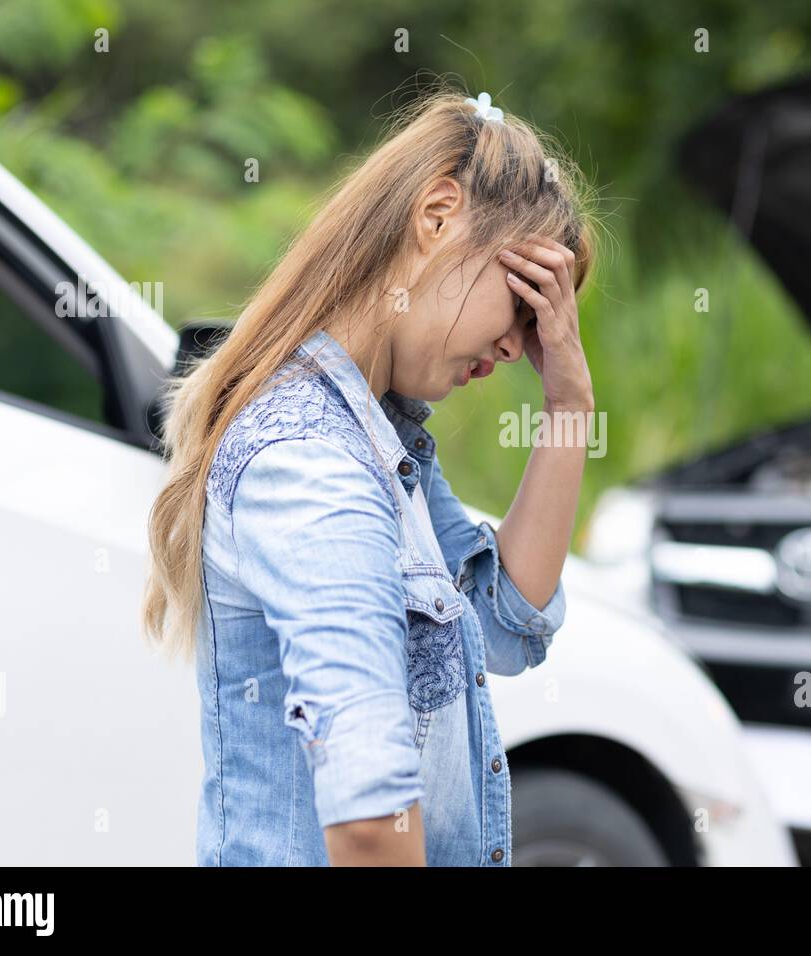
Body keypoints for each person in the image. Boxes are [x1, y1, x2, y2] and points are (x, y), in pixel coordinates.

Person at [141, 85, 597, 866]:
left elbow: (507, 623)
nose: (520, 347)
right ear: (437, 217)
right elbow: (368, 820)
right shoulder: (311, 459)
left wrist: (570, 405)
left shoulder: (383, 444)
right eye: (521, 300)